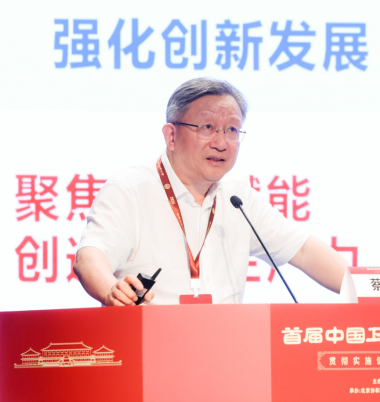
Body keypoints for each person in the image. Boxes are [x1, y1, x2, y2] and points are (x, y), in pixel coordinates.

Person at [74, 77, 352, 306]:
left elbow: (303, 251)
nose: (221, 143)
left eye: (232, 130)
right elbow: (89, 256)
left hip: (225, 349)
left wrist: (365, 291)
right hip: (148, 347)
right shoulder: (130, 190)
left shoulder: (238, 197)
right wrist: (110, 290)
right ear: (171, 136)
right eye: (207, 127)